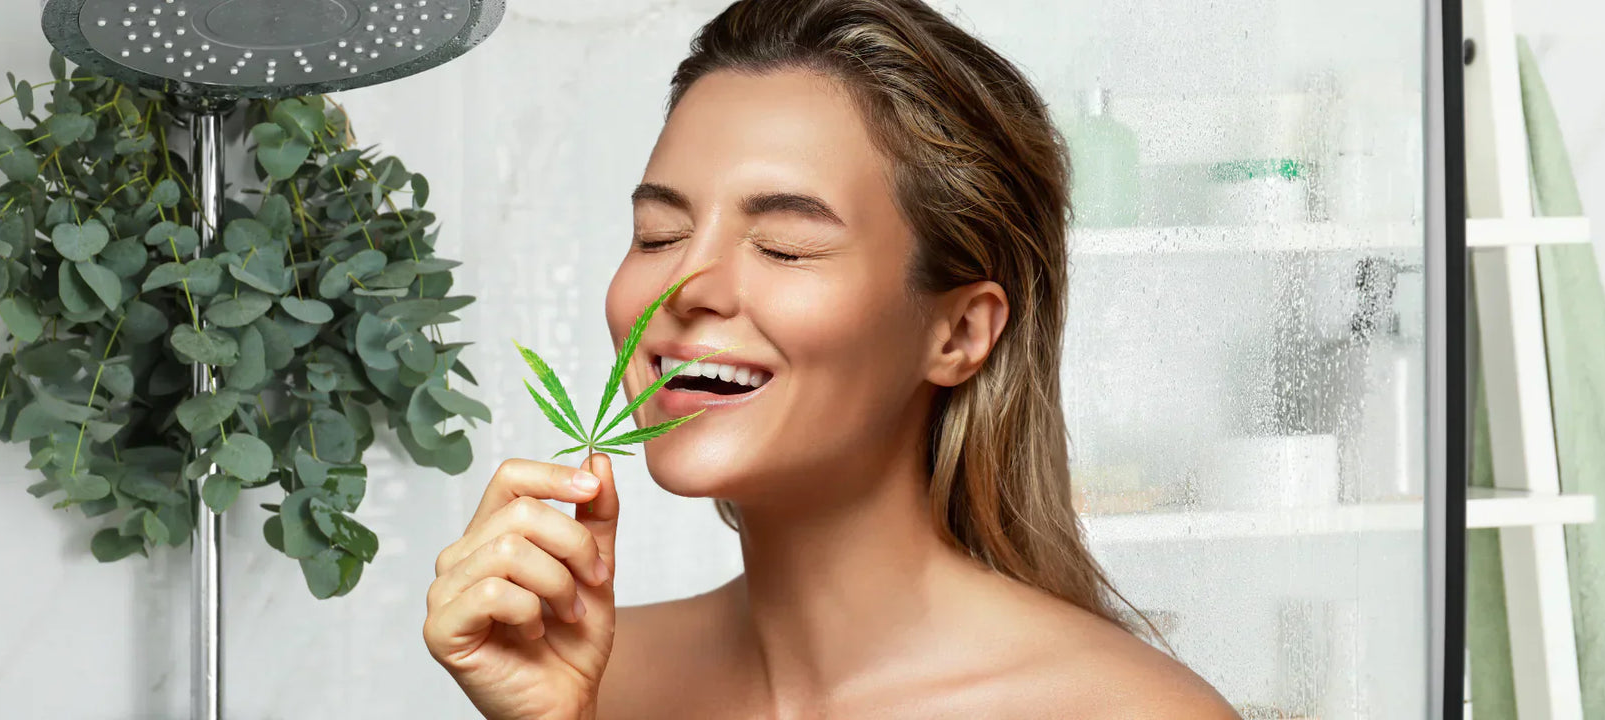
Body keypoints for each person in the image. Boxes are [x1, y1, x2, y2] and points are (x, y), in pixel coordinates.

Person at [424, 1, 1239, 717]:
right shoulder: (584, 678)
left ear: (956, 334)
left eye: (784, 246)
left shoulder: (1126, 712)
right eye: (658, 236)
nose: (683, 283)